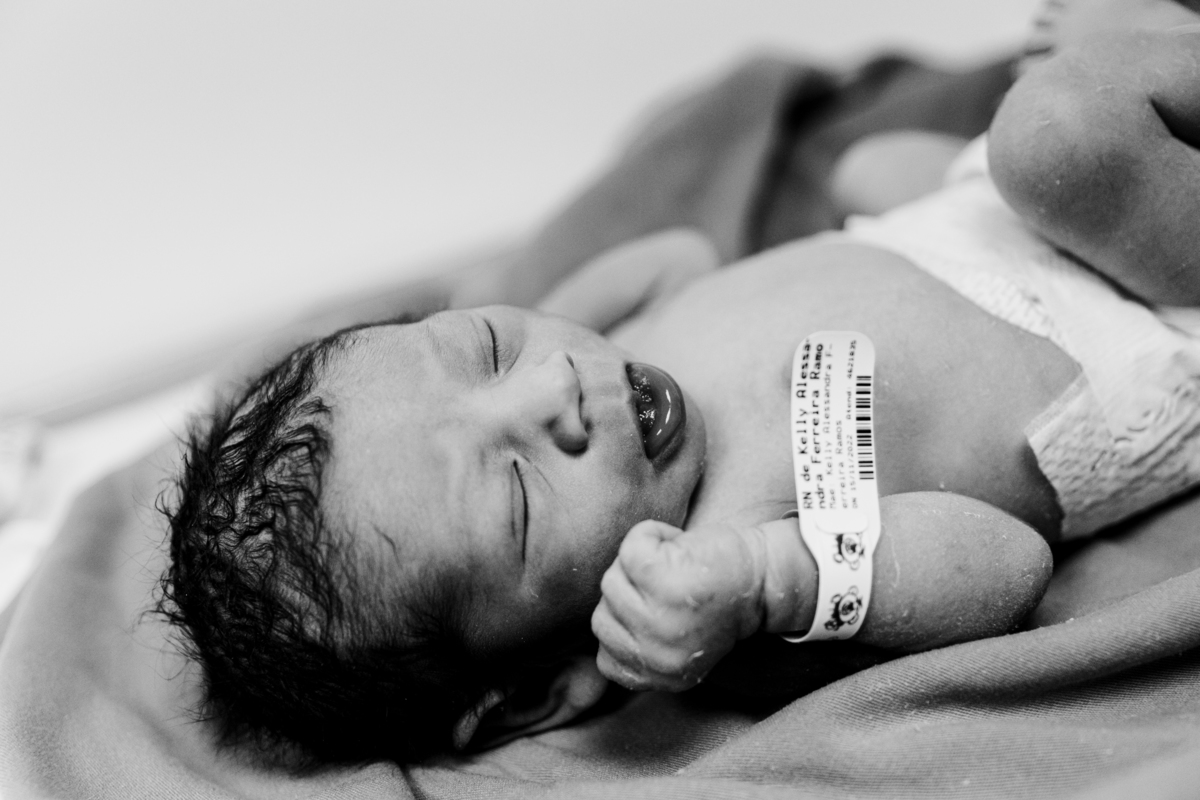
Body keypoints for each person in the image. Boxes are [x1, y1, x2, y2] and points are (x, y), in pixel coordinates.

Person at [158, 0, 1200, 767]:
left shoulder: (605, 354)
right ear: (543, 685)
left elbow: (681, 258)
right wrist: (767, 581)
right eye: (518, 493)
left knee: (870, 165)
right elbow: (1009, 565)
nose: (553, 390)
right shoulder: (737, 554)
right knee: (1054, 135)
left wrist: (550, 310)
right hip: (1132, 328)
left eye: (481, 347)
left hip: (967, 232)